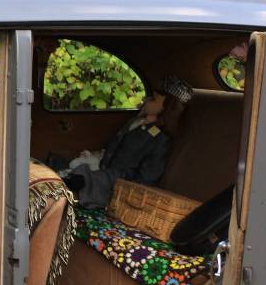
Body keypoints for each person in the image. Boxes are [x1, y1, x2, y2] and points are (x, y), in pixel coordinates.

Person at [51, 75, 193, 208]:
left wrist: (112, 181)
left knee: (78, 180)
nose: (148, 99)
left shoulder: (161, 140)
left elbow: (146, 179)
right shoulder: (136, 122)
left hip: (115, 185)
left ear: (166, 108)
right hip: (103, 169)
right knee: (57, 164)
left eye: (154, 99)